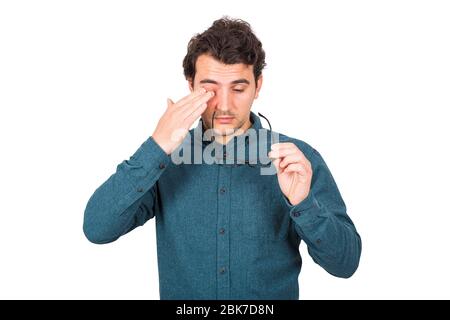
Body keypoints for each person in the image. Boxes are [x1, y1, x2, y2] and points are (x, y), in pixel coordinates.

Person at [83, 17, 362, 300]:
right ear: (191, 85)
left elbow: (345, 264)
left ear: (258, 86)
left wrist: (303, 204)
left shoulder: (297, 162)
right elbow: (97, 228)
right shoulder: (164, 161)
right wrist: (157, 146)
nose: (225, 105)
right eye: (211, 90)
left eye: (239, 89)